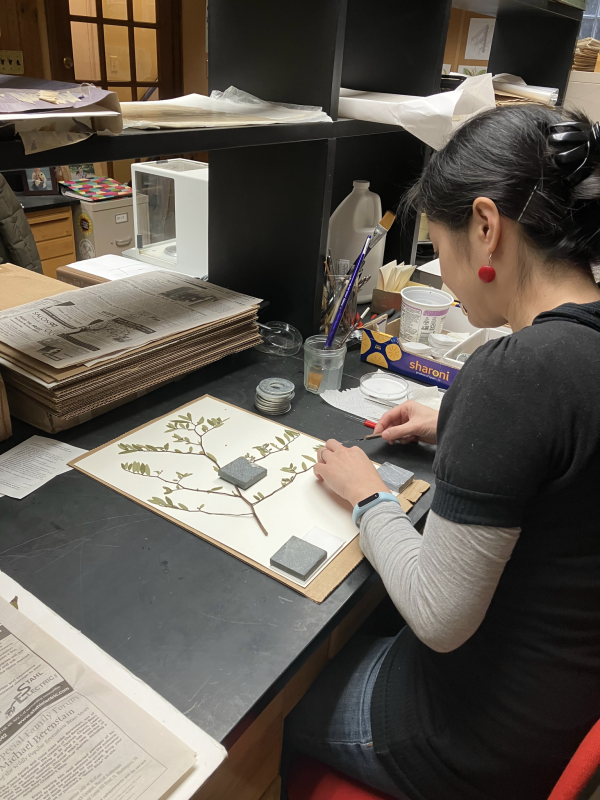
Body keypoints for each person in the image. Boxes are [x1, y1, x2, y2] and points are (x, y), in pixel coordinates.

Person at [285, 104, 600, 800]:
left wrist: (367, 496)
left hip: (476, 741)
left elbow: (438, 615)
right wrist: (456, 419)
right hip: (562, 699)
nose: (444, 278)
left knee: (285, 707)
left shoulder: (516, 375)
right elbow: (561, 447)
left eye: (439, 246)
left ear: (486, 228)